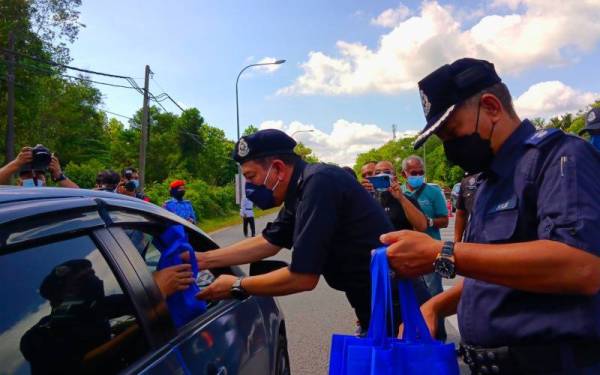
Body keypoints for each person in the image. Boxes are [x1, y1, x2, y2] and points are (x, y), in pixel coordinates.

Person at [382, 58, 600, 374]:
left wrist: (440, 252)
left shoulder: (559, 158)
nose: (450, 148)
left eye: (453, 131)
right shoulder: (485, 182)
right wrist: (435, 306)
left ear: (492, 107)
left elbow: (581, 266)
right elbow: (495, 277)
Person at [192, 129, 416, 335]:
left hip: (396, 306)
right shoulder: (300, 190)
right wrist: (203, 259)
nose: (249, 187)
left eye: (251, 177)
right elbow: (269, 242)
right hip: (374, 303)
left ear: (278, 168)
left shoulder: (319, 184)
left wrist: (236, 285)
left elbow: (303, 278)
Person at [400, 155, 448, 299]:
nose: (418, 176)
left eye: (421, 172)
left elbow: (445, 220)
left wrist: (430, 222)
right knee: (410, 298)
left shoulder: (433, 192)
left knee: (433, 296)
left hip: (430, 252)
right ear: (404, 174)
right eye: (414, 173)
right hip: (405, 253)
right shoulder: (398, 193)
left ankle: (436, 322)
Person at [373, 160, 427, 232]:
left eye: (387, 172)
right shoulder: (368, 200)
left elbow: (422, 226)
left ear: (395, 178)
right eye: (377, 173)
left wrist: (401, 198)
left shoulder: (407, 199)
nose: (381, 175)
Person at [0, 145, 79, 188]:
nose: (34, 178)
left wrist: (59, 175)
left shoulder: (50, 198)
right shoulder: (12, 196)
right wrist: (16, 163)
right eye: (28, 176)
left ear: (45, 181)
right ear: (18, 181)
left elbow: (80, 196)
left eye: (38, 175)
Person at [453, 173, 480, 243]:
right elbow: (461, 214)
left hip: (498, 243)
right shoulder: (467, 181)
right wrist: (456, 243)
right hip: (472, 240)